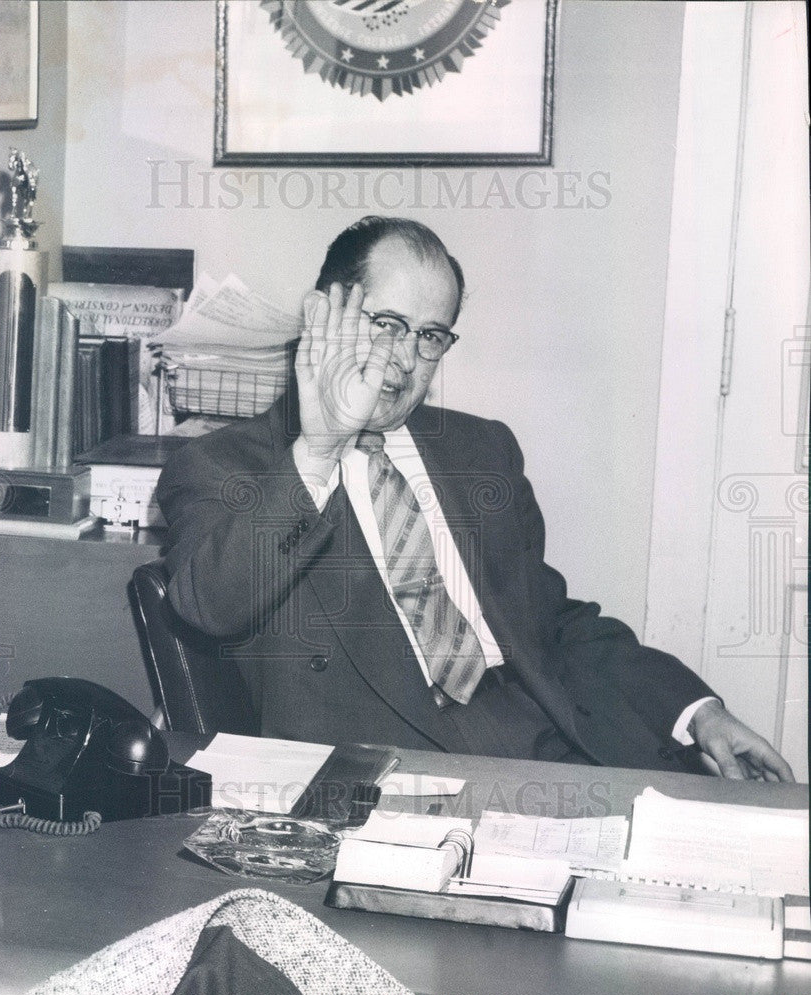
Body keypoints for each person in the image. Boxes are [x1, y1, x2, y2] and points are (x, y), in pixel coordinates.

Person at [157, 216, 793, 780]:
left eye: (429, 337)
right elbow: (209, 605)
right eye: (387, 326)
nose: (404, 361)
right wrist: (320, 448)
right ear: (323, 312)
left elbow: (550, 624)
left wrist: (696, 710)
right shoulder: (223, 466)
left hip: (546, 741)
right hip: (391, 774)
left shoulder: (479, 450)